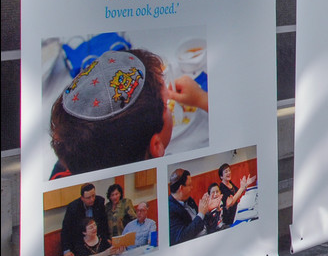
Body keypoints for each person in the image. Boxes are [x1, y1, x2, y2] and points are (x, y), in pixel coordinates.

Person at [49, 49, 209, 178]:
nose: (169, 102)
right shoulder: (180, 175)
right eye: (166, 104)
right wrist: (203, 99)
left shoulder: (75, 152)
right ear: (156, 146)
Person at [60, 183, 110, 256]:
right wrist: (67, 250)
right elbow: (66, 230)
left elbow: (104, 222)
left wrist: (108, 238)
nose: (92, 199)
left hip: (97, 240)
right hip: (80, 243)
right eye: (88, 198)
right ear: (82, 198)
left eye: (93, 196)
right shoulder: (73, 207)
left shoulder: (99, 201)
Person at [167, 168, 218, 246]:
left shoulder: (188, 199)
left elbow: (200, 220)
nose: (192, 187)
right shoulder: (170, 209)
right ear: (181, 188)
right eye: (189, 185)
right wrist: (201, 214)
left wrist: (207, 210)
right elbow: (182, 237)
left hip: (208, 234)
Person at [217, 162, 257, 227]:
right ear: (221, 176)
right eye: (226, 172)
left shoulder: (230, 183)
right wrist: (242, 188)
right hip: (231, 217)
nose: (229, 173)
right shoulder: (221, 188)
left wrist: (246, 184)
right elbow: (231, 202)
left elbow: (238, 192)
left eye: (229, 170)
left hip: (237, 209)